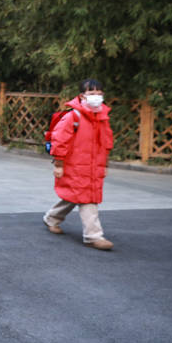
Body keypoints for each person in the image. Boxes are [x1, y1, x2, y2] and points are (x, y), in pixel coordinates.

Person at [43, 79, 115, 251]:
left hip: (93, 167)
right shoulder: (73, 116)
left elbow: (106, 143)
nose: (96, 97)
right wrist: (59, 164)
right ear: (82, 96)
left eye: (99, 93)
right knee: (87, 199)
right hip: (73, 166)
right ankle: (93, 236)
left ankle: (52, 218)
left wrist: (105, 164)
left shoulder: (102, 117)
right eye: (91, 94)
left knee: (75, 196)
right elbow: (59, 141)